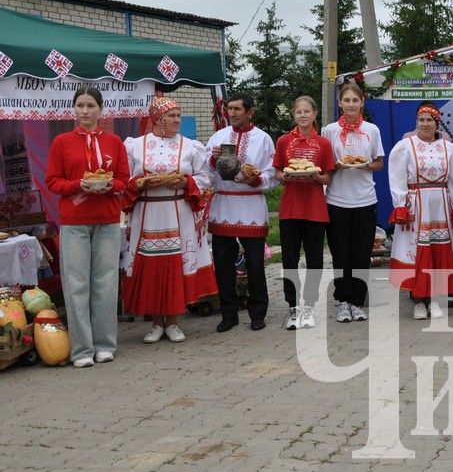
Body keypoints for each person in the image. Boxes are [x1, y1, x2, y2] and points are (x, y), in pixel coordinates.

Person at [121, 96, 218, 343]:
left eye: (178, 115)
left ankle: (173, 322)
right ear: (157, 119)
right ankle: (155, 323)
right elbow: (124, 180)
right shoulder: (135, 146)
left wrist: (186, 182)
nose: (177, 120)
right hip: (147, 212)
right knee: (152, 266)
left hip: (178, 211)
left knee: (176, 263)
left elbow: (205, 177)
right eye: (172, 116)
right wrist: (140, 183)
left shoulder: (190, 146)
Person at [45, 86, 129, 367]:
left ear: (100, 109)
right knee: (76, 284)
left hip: (106, 219)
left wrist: (110, 185)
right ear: (74, 109)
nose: (85, 111)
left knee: (105, 283)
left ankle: (105, 345)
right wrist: (76, 185)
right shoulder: (61, 142)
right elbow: (52, 181)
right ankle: (81, 350)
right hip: (74, 223)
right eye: (80, 105)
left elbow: (123, 178)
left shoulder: (115, 142)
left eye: (90, 105)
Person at [205, 92, 276, 332]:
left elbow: (272, 174)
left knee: (255, 263)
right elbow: (205, 172)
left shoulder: (263, 139)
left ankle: (258, 313)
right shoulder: (218, 137)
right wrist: (213, 161)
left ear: (250, 112)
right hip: (224, 204)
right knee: (223, 263)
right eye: (229, 108)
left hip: (251, 206)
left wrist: (255, 180)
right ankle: (228, 313)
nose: (232, 113)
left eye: (237, 109)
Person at [387, 101, 453, 319]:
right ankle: (418, 300)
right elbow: (397, 178)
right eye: (421, 120)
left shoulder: (450, 149)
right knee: (417, 251)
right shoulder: (405, 146)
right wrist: (400, 205)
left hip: (440, 203)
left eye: (429, 120)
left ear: (437, 123)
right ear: (416, 122)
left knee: (439, 252)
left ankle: (436, 299)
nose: (425, 124)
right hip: (416, 204)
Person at [322, 81, 384, 323]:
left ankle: (358, 301)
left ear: (362, 103)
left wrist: (365, 164)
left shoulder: (372, 130)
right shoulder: (329, 130)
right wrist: (335, 166)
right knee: (340, 253)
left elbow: (379, 162)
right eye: (346, 100)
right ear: (339, 103)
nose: (350, 104)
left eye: (355, 100)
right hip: (336, 199)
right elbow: (325, 161)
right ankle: (343, 300)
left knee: (361, 254)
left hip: (365, 199)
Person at [273, 96, 335, 330]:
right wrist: (284, 176)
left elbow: (328, 176)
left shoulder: (323, 144)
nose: (302, 115)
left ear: (315, 114)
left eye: (306, 111)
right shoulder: (283, 141)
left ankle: (309, 306)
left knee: (315, 260)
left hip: (315, 208)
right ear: (293, 114)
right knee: (290, 260)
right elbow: (278, 172)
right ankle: (293, 307)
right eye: (298, 112)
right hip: (290, 208)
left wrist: (318, 177)